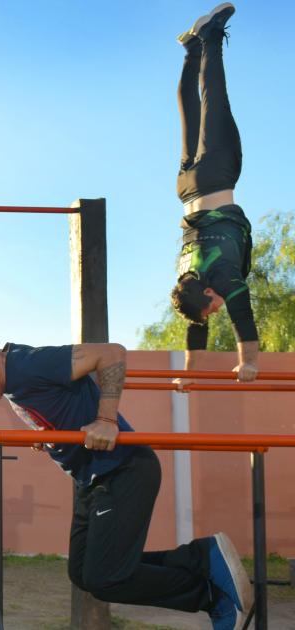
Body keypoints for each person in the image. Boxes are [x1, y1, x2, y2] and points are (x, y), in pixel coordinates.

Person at [0, 334, 251, 630]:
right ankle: (201, 557)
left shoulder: (27, 364)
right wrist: (48, 435)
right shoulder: (15, 380)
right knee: (83, 572)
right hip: (92, 479)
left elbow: (111, 353)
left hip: (122, 469)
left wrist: (106, 419)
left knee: (105, 578)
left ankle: (213, 597)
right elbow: (64, 400)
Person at [168, 3, 259, 384]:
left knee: (214, 101)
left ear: (209, 291)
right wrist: (188, 375)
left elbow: (243, 319)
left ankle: (211, 35)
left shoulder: (220, 277)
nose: (215, 311)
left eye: (211, 308)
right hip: (186, 188)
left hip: (216, 179)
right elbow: (196, 325)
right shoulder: (188, 278)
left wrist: (249, 363)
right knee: (190, 115)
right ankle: (192, 49)